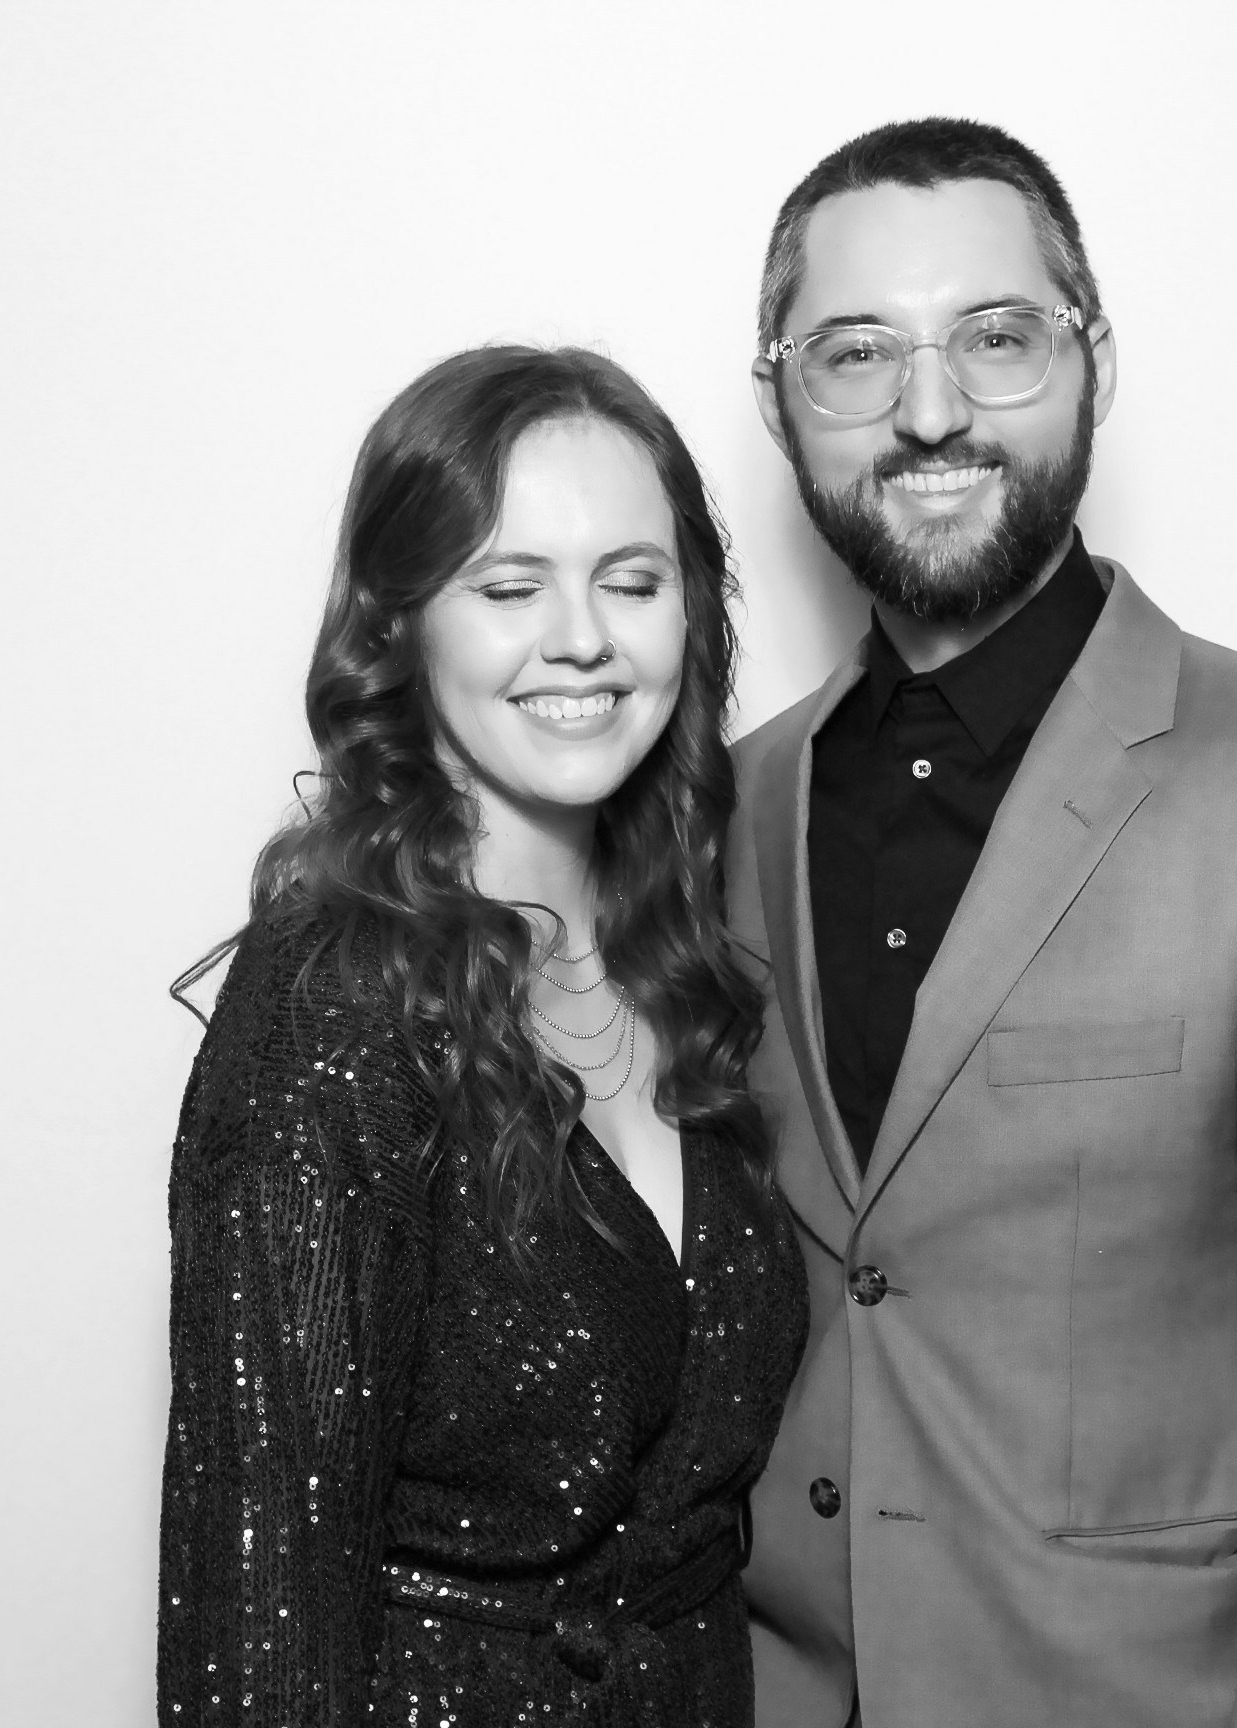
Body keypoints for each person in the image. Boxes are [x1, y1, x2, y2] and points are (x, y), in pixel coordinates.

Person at [731, 119, 1237, 1727]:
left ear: (1090, 362)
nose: (928, 411)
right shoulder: (724, 809)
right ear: (777, 400)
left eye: (995, 338)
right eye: (855, 352)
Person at [157, 346, 806, 1726]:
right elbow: (257, 1613)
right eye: (510, 588)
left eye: (632, 581)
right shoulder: (331, 1008)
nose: (581, 639)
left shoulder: (688, 961)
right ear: (399, 629)